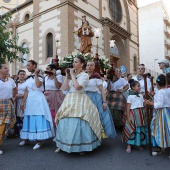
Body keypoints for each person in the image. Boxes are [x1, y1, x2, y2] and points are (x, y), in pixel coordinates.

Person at [54, 56, 102, 154]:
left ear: (82, 64)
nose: (73, 64)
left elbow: (77, 87)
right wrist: (67, 77)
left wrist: (72, 75)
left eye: (76, 62)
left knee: (80, 120)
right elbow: (64, 88)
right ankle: (62, 144)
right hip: (69, 98)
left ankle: (81, 146)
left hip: (80, 98)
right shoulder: (73, 75)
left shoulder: (84, 75)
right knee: (64, 120)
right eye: (73, 62)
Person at [19, 60, 54, 150]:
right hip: (30, 98)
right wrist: (23, 102)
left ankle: (39, 141)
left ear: (34, 66)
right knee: (28, 117)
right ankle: (27, 138)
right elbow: (27, 90)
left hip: (38, 98)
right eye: (27, 65)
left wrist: (35, 74)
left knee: (38, 116)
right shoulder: (27, 78)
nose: (27, 67)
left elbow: (38, 85)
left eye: (29, 65)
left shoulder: (40, 76)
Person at [85, 61, 116, 139]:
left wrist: (104, 102)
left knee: (96, 117)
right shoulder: (83, 76)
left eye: (91, 65)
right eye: (88, 65)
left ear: (94, 67)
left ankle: (96, 136)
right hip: (85, 98)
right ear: (85, 67)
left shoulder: (96, 76)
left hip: (95, 98)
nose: (89, 67)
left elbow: (102, 90)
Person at [145, 74, 170, 156]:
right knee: (166, 130)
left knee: (160, 130)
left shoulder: (160, 92)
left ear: (157, 84)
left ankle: (160, 147)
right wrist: (153, 94)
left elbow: (160, 104)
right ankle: (162, 147)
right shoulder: (166, 90)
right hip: (166, 111)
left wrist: (149, 103)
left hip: (161, 113)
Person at [122, 79, 148, 154]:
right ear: (133, 87)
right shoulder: (130, 96)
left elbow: (143, 104)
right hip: (133, 113)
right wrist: (128, 117)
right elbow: (128, 107)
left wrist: (146, 103)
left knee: (139, 129)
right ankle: (129, 145)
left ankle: (137, 143)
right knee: (132, 129)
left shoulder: (140, 95)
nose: (140, 87)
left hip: (140, 114)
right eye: (138, 86)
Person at [0, 63, 16, 155]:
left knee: (4, 125)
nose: (7, 69)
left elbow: (14, 90)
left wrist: (12, 99)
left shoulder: (8, 81)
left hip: (7, 103)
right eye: (5, 68)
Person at [14, 70, 27, 134]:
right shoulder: (15, 83)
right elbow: (12, 92)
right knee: (18, 114)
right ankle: (20, 130)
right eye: (21, 74)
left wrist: (23, 96)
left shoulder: (27, 82)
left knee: (24, 115)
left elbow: (28, 91)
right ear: (18, 75)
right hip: (17, 100)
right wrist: (16, 95)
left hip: (25, 100)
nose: (22, 76)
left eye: (23, 74)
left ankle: (25, 129)